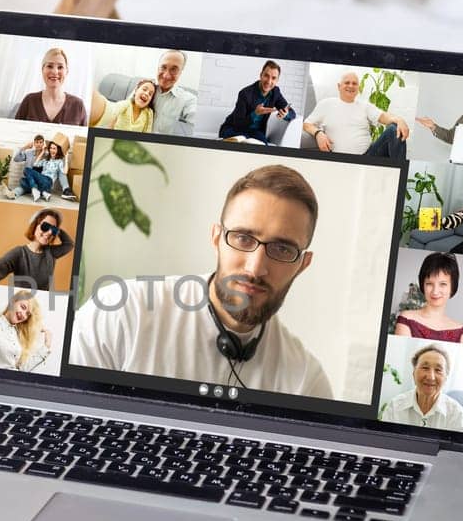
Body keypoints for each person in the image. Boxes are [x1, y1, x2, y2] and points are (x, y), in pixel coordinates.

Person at [69, 164, 334, 398]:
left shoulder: (307, 383)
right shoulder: (119, 314)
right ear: (217, 238)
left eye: (282, 249)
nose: (255, 268)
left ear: (302, 264)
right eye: (243, 238)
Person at [301, 71, 409, 159]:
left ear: (358, 88)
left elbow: (383, 117)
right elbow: (306, 124)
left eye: (354, 83)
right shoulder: (326, 104)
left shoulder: (364, 105)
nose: (351, 86)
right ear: (339, 86)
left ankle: (400, 174)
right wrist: (318, 133)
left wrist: (399, 120)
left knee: (394, 129)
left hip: (368, 156)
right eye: (347, 83)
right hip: (339, 159)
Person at [0, 209, 73, 291]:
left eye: (54, 230)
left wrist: (58, 231)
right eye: (45, 226)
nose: (50, 232)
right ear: (34, 226)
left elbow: (69, 244)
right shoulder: (19, 253)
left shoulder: (51, 253)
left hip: (43, 305)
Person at [379, 344, 463, 432]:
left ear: (445, 378)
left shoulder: (458, 415)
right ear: (413, 373)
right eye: (425, 367)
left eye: (438, 370)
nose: (431, 377)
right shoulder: (394, 406)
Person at [393, 251, 463, 343]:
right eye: (429, 284)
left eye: (443, 284)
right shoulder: (407, 319)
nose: (435, 291)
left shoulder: (460, 331)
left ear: (452, 287)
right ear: (423, 285)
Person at [218, 60, 294, 143]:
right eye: (266, 76)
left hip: (255, 132)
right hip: (234, 128)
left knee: (264, 145)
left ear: (277, 80)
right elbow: (238, 124)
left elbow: (292, 113)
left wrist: (286, 114)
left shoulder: (275, 92)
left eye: (273, 78)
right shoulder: (245, 93)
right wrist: (255, 114)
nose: (269, 81)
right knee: (240, 140)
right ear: (261, 75)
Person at [0, 289, 52, 372]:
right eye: (23, 307)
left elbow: (21, 370)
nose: (23, 315)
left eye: (27, 314)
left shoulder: (18, 334)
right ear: (13, 301)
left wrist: (46, 346)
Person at [13, 47, 86, 125]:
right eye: (50, 66)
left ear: (66, 71)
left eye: (60, 67)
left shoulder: (78, 105)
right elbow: (13, 132)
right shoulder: (29, 100)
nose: (55, 71)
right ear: (42, 69)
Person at [149, 50, 198, 137]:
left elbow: (199, 127)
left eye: (174, 70)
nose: (166, 76)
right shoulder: (143, 88)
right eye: (163, 67)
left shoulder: (189, 100)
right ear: (157, 68)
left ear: (180, 73)